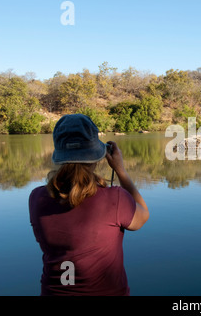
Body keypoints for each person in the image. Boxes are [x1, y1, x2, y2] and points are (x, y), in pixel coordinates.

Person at [29, 114, 149, 296]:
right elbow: (142, 217)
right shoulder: (115, 198)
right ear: (99, 154)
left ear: (58, 155)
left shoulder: (37, 198)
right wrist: (121, 171)